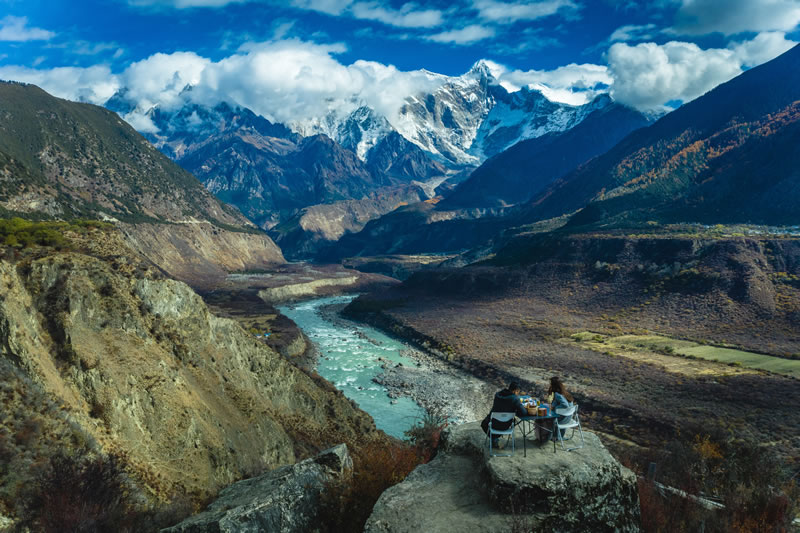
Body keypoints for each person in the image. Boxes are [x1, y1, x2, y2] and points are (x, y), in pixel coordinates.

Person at [481, 381, 528, 447]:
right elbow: (524, 413)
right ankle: (494, 439)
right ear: (515, 391)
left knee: (483, 424)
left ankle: (494, 439)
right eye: (518, 392)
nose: (518, 394)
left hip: (493, 424)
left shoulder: (497, 395)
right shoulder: (514, 399)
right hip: (505, 426)